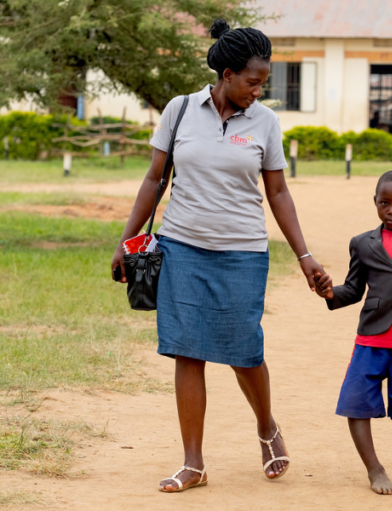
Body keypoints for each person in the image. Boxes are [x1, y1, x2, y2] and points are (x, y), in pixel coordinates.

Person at [111, 19, 325, 492]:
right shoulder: (180, 110)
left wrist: (304, 254)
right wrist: (127, 242)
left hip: (243, 252)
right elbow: (154, 179)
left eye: (263, 82)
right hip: (181, 246)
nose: (259, 90)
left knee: (245, 351)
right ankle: (193, 463)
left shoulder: (266, 122)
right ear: (227, 74)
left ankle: (267, 427)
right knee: (187, 354)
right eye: (253, 81)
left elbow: (279, 192)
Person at [313, 171, 392, 496]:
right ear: (375, 203)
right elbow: (354, 289)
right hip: (371, 338)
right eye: (384, 203)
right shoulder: (362, 243)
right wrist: (330, 293)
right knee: (355, 402)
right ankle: (375, 469)